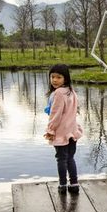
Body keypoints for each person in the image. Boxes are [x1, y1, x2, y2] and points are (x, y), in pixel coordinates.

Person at [43, 63, 83, 194]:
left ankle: (62, 185)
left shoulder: (59, 93)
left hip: (61, 132)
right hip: (72, 130)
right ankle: (74, 184)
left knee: (61, 159)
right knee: (70, 157)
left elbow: (56, 114)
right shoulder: (71, 91)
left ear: (65, 78)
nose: (54, 80)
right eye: (52, 77)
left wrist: (50, 130)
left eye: (58, 77)